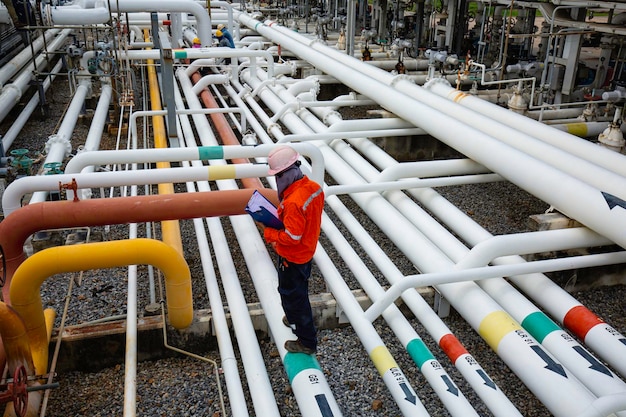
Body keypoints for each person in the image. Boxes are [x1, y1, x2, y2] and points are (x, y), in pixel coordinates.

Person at [262, 145, 324, 354]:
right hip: (306, 253)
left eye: (278, 175)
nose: (277, 180)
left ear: (287, 172)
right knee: (299, 292)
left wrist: (270, 233)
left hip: (293, 258)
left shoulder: (293, 202)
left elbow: (292, 236)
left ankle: (306, 341)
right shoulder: (313, 188)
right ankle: (295, 317)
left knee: (292, 296)